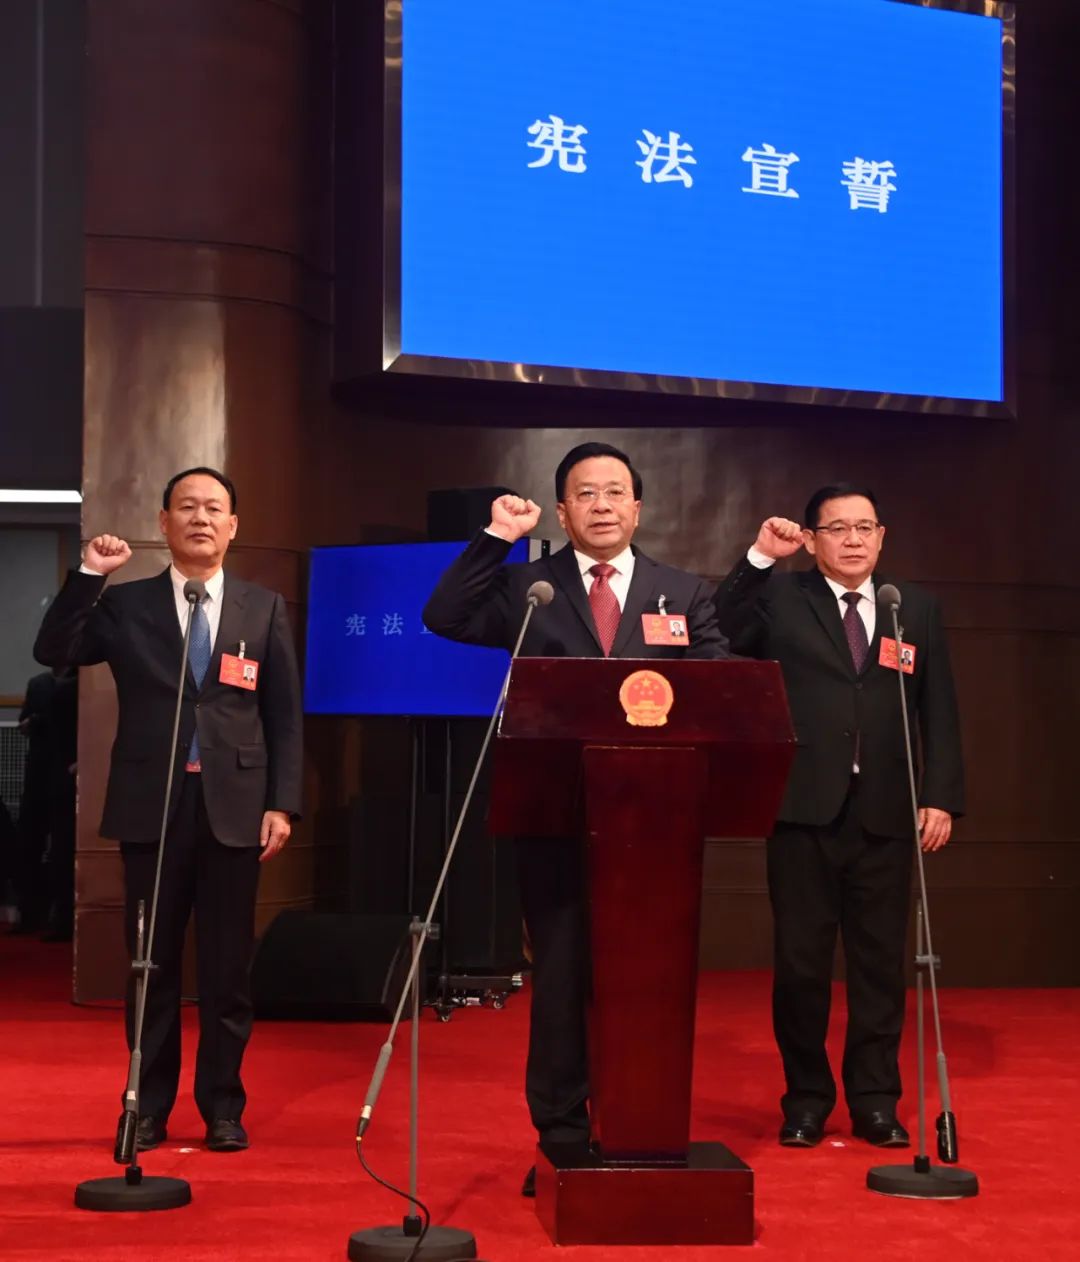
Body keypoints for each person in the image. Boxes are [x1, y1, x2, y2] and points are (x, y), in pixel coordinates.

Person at [423, 441, 732, 1195]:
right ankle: (561, 1135)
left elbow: (720, 685)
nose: (601, 505)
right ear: (562, 512)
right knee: (561, 977)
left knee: (646, 982)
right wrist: (497, 537)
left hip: (654, 822)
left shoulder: (682, 592)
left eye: (615, 491)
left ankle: (640, 1123)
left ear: (638, 508)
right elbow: (443, 615)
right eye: (585, 493)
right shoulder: (529, 586)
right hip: (554, 811)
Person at [34, 467, 302, 1153]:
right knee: (150, 965)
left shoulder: (262, 607)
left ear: (233, 526)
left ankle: (223, 1108)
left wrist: (283, 804)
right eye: (187, 507)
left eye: (214, 508)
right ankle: (147, 1107)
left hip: (236, 808)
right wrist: (90, 575)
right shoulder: (127, 605)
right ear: (164, 522)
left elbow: (283, 715)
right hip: (152, 806)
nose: (200, 518)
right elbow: (54, 650)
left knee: (227, 971)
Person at [713, 483, 964, 1149]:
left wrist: (939, 794)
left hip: (887, 813)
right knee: (801, 967)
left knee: (880, 969)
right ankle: (805, 1101)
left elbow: (938, 707)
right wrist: (760, 558)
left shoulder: (912, 606)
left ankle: (876, 1102)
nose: (853, 540)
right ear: (812, 539)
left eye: (864, 528)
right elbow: (721, 626)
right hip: (802, 810)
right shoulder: (781, 598)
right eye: (837, 528)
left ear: (882, 537)